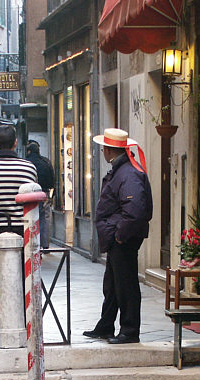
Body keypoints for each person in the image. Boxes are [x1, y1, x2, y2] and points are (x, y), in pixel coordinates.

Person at [83, 128, 153, 344]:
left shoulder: (128, 173)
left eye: (104, 147)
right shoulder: (123, 169)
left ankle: (130, 330)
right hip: (118, 235)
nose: (102, 150)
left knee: (126, 285)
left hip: (122, 237)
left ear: (110, 151)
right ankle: (106, 325)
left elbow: (135, 210)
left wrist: (119, 236)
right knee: (112, 284)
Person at [0, 124, 37, 316]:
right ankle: (22, 313)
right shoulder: (28, 168)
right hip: (22, 228)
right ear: (15, 143)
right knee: (22, 273)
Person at [25, 141, 55, 249]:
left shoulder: (26, 163)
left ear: (28, 151)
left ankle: (31, 243)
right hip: (44, 193)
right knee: (45, 218)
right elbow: (52, 179)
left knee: (29, 217)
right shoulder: (46, 162)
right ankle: (44, 244)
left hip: (29, 194)